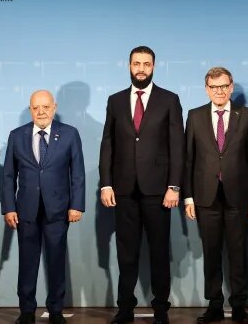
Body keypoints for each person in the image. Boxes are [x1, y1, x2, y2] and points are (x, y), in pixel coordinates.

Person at [99, 45, 185, 324]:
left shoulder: (169, 100)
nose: (141, 68)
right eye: (137, 63)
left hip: (158, 191)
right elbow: (108, 145)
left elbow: (177, 146)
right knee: (126, 254)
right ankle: (125, 309)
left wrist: (174, 186)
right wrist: (106, 184)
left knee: (159, 253)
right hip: (123, 190)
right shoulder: (115, 100)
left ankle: (161, 309)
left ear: (154, 67)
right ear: (128, 66)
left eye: (146, 64)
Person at [182, 67, 248, 324]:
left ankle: (239, 305)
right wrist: (189, 197)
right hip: (206, 198)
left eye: (224, 86)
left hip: (239, 197)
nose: (219, 91)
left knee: (238, 254)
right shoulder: (194, 116)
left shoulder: (247, 116)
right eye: (214, 87)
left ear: (231, 87)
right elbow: (189, 160)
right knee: (211, 253)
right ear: (206, 89)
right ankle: (214, 305)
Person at [2, 90, 86, 324]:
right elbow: (9, 175)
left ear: (54, 107)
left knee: (56, 261)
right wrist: (9, 207)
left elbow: (77, 173)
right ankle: (27, 311)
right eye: (36, 107)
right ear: (30, 109)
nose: (41, 112)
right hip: (25, 210)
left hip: (58, 210)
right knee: (27, 262)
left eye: (46, 107)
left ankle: (56, 310)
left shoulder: (69, 134)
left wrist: (76, 205)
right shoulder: (17, 136)